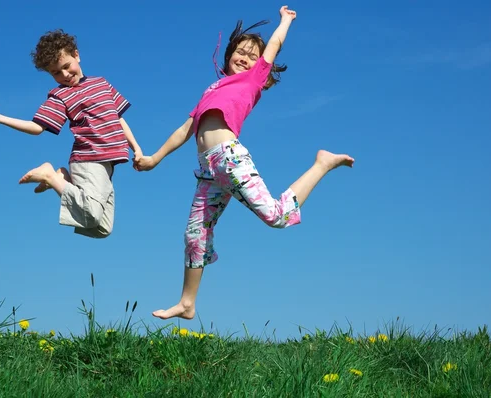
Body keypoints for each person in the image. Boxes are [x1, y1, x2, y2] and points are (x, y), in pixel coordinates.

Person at [135, 6, 355, 319]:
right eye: (240, 52)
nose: (245, 58)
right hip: (208, 170)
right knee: (195, 233)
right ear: (228, 56)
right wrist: (154, 159)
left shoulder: (253, 80)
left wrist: (285, 21)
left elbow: (275, 46)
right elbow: (186, 129)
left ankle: (322, 164)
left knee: (275, 217)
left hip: (230, 159)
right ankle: (187, 303)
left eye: (253, 55)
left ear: (260, 66)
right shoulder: (212, 88)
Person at [0, 29, 142, 239]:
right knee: (90, 215)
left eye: (66, 66)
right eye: (56, 73)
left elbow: (117, 118)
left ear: (77, 55)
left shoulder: (102, 84)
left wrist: (136, 149)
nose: (64, 75)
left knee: (102, 229)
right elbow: (37, 127)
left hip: (108, 164)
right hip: (88, 159)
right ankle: (50, 176)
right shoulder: (60, 95)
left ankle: (62, 177)